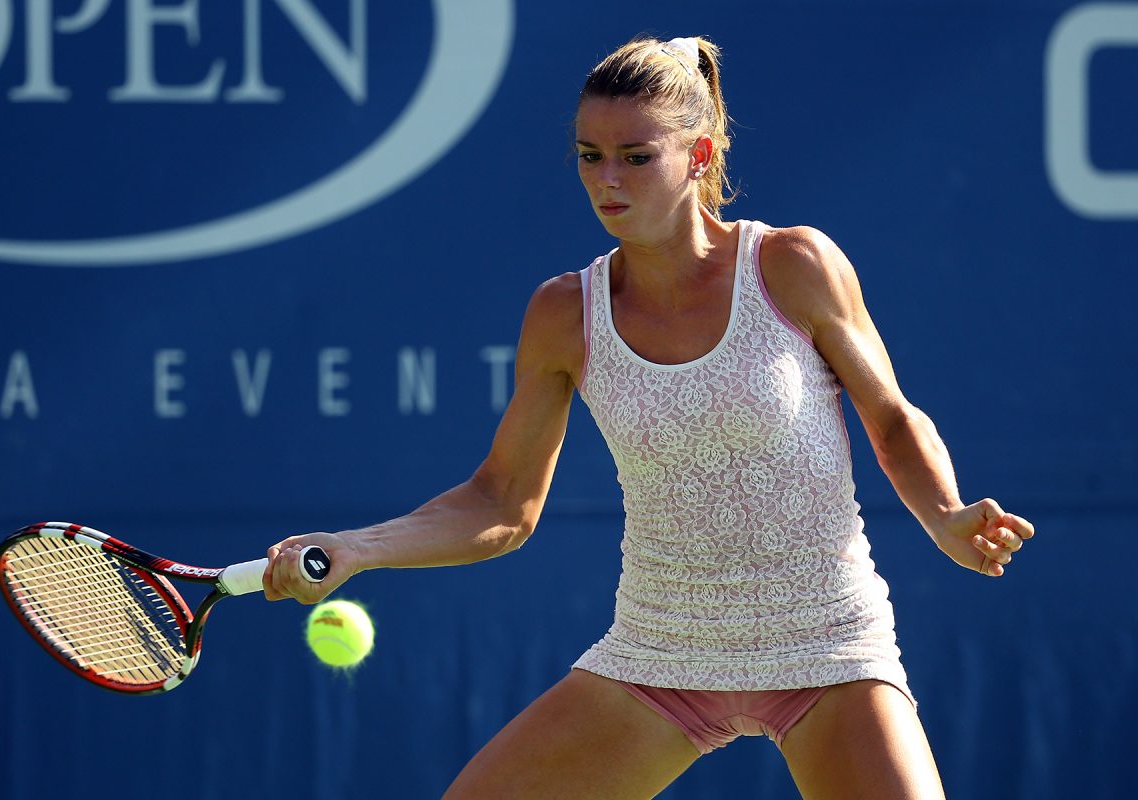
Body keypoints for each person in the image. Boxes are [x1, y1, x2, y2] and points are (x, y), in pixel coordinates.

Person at [263, 35, 1035, 799]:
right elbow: (501, 503)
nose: (608, 179)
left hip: (827, 645)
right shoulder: (566, 314)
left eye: (637, 157)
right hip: (659, 654)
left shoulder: (793, 267)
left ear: (698, 156)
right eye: (588, 155)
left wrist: (944, 514)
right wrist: (355, 548)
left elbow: (892, 420)